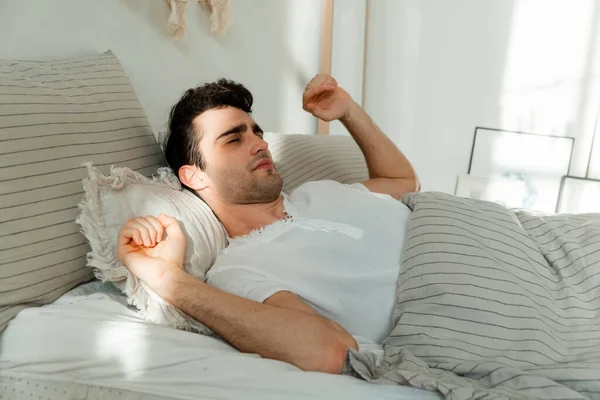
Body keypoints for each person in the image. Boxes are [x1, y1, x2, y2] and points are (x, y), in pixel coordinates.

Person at [117, 74, 420, 374]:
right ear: (195, 176)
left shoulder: (318, 191)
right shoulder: (239, 269)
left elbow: (403, 183)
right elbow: (328, 350)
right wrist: (170, 279)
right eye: (234, 139)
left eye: (256, 133)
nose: (260, 144)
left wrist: (350, 111)